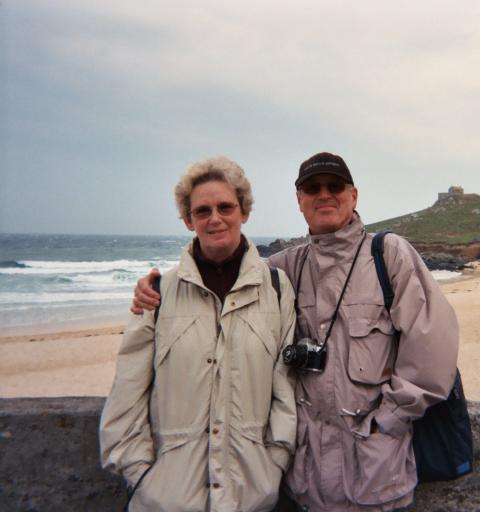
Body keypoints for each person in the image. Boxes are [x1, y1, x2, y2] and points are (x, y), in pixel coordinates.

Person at [132, 152, 460, 511]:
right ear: (299, 201)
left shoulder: (389, 255)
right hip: (306, 481)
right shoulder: (285, 268)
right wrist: (159, 284)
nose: (324, 194)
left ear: (354, 195)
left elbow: (432, 350)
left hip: (377, 475)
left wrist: (388, 422)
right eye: (311, 188)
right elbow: (224, 269)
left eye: (335, 186)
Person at [101, 156, 297, 512]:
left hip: (251, 498)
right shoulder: (159, 292)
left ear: (244, 212)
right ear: (189, 219)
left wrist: (273, 465)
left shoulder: (277, 288)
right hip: (164, 500)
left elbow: (285, 388)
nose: (215, 218)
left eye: (225, 207)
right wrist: (142, 475)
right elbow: (127, 391)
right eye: (202, 210)